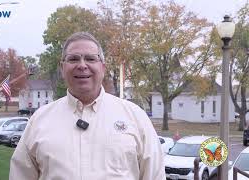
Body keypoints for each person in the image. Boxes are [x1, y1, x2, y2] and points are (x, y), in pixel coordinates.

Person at [9, 32, 165, 180]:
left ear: (102, 67)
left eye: (90, 59)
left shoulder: (135, 117)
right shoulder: (39, 121)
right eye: (73, 59)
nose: (82, 65)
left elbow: (154, 175)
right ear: (63, 68)